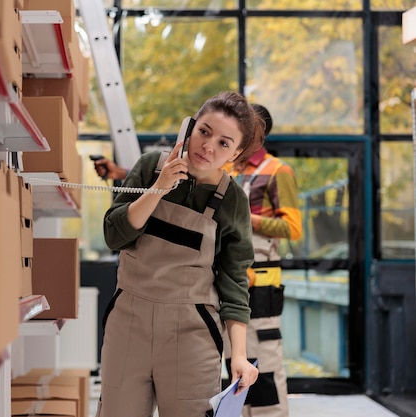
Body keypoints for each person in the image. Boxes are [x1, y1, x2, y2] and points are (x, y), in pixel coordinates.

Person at [97, 91, 264, 417]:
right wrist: (158, 188)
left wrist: (239, 355)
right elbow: (113, 235)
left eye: (224, 143)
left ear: (237, 151)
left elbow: (233, 280)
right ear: (190, 127)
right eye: (204, 132)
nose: (208, 147)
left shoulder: (232, 201)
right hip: (129, 321)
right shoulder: (149, 167)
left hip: (192, 331)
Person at [223, 103, 302, 417]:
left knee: (265, 369)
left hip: (262, 289)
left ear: (260, 133)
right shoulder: (226, 170)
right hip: (230, 283)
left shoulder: (278, 171)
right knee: (231, 366)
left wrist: (247, 218)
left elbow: (293, 228)